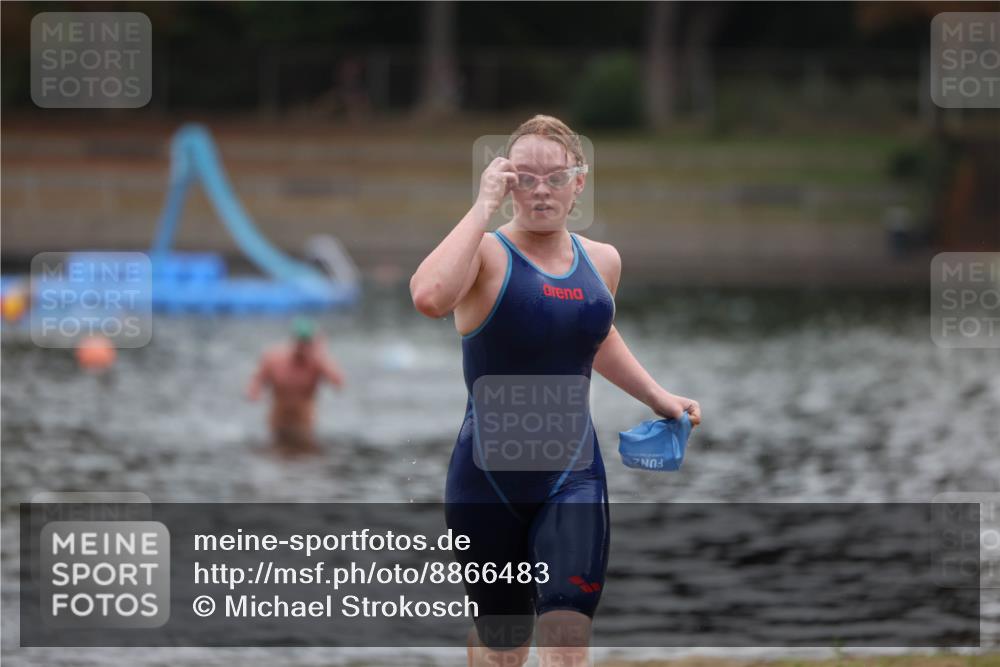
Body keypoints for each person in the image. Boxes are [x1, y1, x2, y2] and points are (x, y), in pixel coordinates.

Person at [410, 114, 702, 667]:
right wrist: (482, 206)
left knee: (566, 635)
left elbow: (593, 333)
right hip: (487, 480)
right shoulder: (484, 255)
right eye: (524, 177)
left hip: (573, 475)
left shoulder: (603, 261)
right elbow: (428, 296)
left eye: (555, 177)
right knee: (504, 647)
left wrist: (656, 396)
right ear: (505, 181)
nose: (540, 190)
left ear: (578, 182)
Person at [246, 317, 346, 456]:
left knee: (305, 458)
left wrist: (322, 357)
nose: (302, 346)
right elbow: (256, 380)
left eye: (306, 342)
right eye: (300, 341)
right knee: (276, 457)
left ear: (312, 342)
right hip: (278, 421)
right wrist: (254, 391)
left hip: (304, 424)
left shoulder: (317, 362)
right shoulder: (274, 359)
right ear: (293, 340)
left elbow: (339, 384)